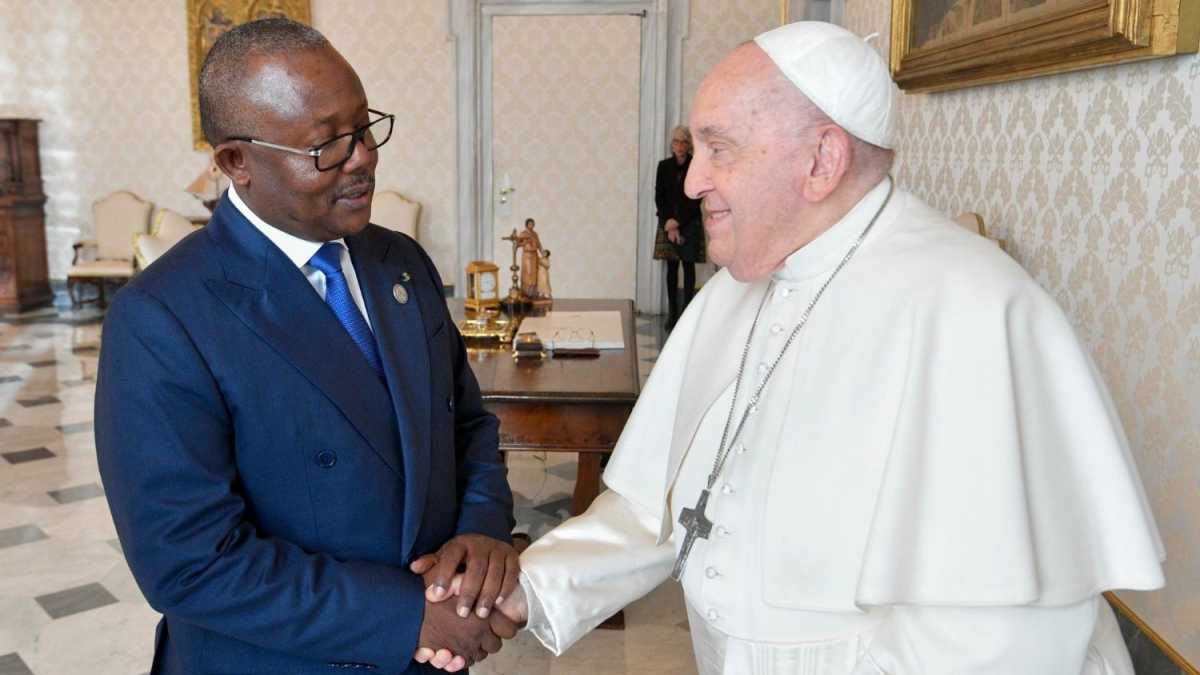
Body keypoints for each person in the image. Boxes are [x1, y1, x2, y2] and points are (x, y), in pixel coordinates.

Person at [425, 21, 1167, 674]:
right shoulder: (740, 287)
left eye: (720, 148)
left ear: (822, 161)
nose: (693, 178)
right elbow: (672, 508)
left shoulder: (973, 309)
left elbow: (991, 638)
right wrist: (527, 589)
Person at [95, 19, 518, 675]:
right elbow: (189, 560)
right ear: (238, 161)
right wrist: (405, 614)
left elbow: (465, 421)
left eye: (365, 126)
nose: (363, 156)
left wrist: (482, 532)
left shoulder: (399, 261)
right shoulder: (160, 317)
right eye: (326, 144)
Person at [654, 125, 705, 330]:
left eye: (684, 142)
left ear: (689, 145)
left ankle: (687, 315)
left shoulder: (696, 166)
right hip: (667, 223)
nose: (680, 146)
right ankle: (673, 314)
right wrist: (669, 223)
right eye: (676, 142)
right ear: (671, 145)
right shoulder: (663, 166)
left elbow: (695, 198)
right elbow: (660, 197)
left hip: (689, 222)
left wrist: (678, 222)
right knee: (671, 269)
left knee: (689, 267)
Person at [516, 217, 544, 298]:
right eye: (530, 224)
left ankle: (534, 293)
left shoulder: (535, 234)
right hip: (527, 256)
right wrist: (525, 242)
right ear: (526, 225)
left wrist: (543, 253)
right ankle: (526, 293)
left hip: (534, 255)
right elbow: (517, 244)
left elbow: (539, 244)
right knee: (528, 273)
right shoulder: (523, 233)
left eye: (532, 224)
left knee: (535, 272)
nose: (531, 225)